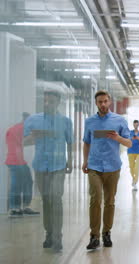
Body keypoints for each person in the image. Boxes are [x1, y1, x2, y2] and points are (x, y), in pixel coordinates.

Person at [24, 91, 73, 252]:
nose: (47, 104)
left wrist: (70, 161)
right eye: (45, 101)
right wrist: (34, 137)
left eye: (51, 102)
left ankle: (58, 237)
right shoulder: (33, 120)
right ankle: (49, 234)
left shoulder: (65, 122)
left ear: (57, 102)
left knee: (56, 199)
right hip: (40, 166)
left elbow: (70, 142)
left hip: (58, 166)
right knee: (46, 200)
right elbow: (23, 142)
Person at [82, 90, 132, 250]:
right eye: (100, 102)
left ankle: (106, 233)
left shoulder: (119, 120)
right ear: (96, 103)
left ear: (109, 102)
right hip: (94, 166)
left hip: (113, 166)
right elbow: (86, 142)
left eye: (105, 101)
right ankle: (94, 236)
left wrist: (117, 138)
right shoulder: (89, 122)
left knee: (109, 201)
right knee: (95, 199)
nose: (103, 104)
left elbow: (129, 143)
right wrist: (85, 161)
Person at [5, 112, 39, 217]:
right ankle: (15, 209)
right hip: (16, 161)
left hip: (17, 160)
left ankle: (22, 207)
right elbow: (24, 142)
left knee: (26, 182)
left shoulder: (15, 128)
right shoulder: (22, 129)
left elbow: (21, 143)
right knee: (17, 185)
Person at [127, 120, 139, 191]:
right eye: (135, 125)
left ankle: (135, 182)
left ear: (138, 125)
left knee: (136, 167)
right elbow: (127, 141)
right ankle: (134, 179)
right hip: (130, 151)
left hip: (138, 151)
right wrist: (132, 138)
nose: (136, 126)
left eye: (137, 125)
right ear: (133, 125)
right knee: (131, 167)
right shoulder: (130, 132)